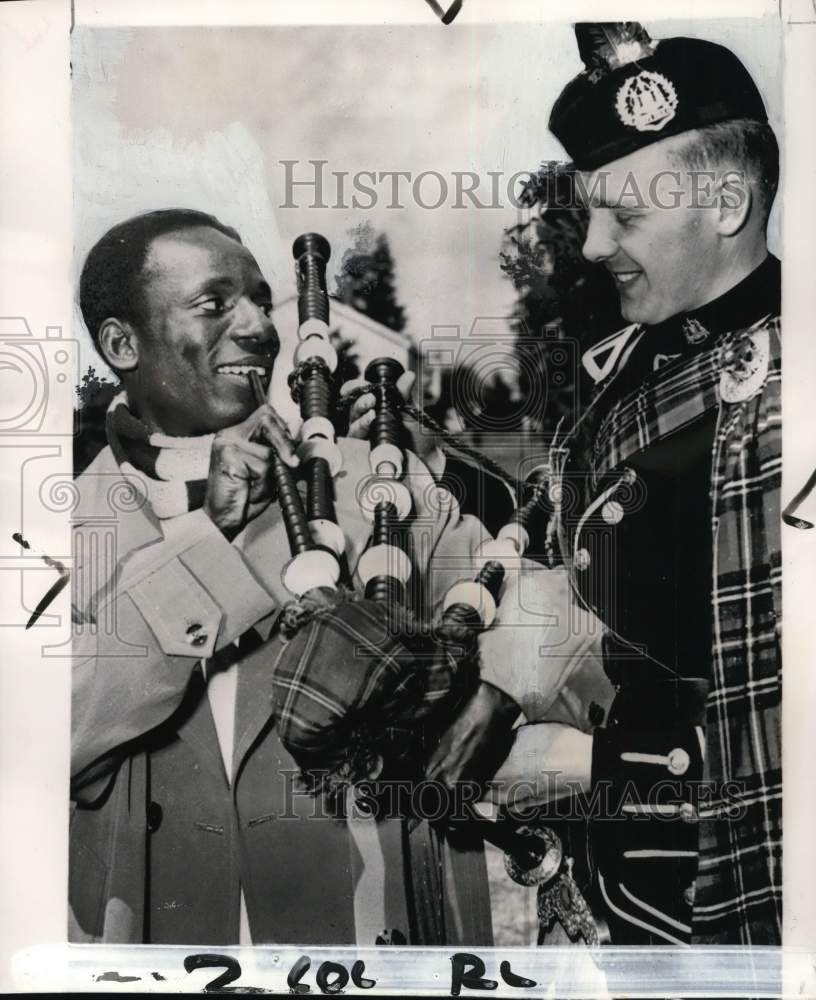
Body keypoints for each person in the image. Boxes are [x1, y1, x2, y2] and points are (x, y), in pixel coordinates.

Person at [432, 22, 781, 946]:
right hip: (617, 890)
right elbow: (571, 564)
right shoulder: (622, 366)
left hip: (730, 910)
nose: (590, 245)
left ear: (729, 205)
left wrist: (595, 766)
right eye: (592, 211)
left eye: (624, 217)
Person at [69, 208, 494, 946]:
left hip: (367, 940)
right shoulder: (57, 526)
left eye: (262, 300)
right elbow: (49, 733)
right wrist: (215, 540)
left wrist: (499, 695)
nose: (261, 326)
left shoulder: (364, 477)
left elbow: (524, 591)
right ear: (119, 343)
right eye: (215, 303)